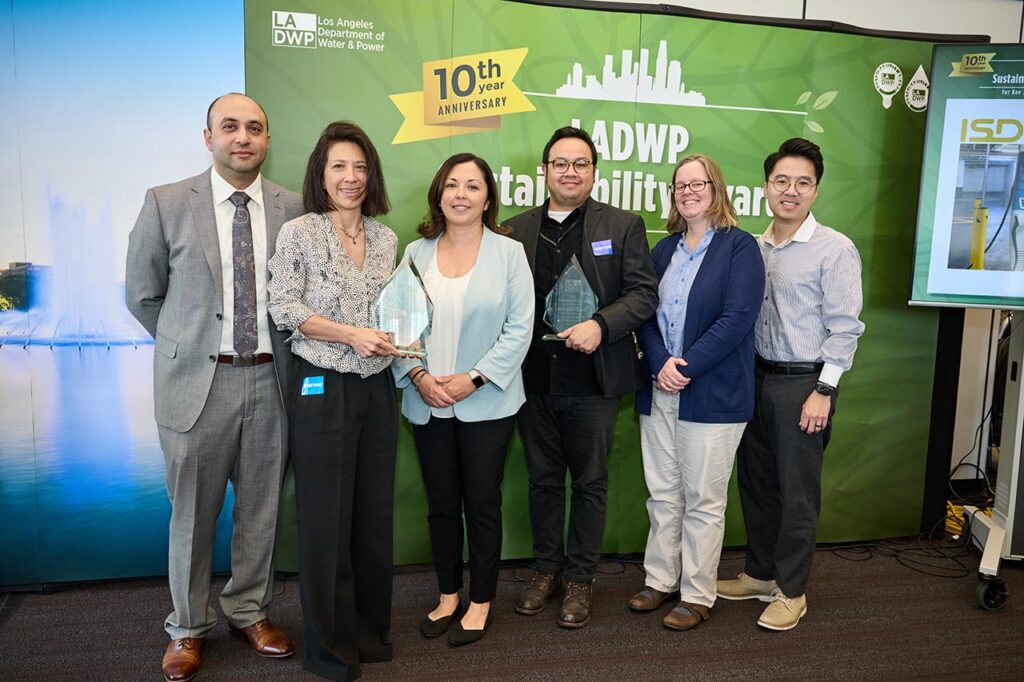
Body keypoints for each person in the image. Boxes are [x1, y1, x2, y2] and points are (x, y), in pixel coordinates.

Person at [125, 93, 303, 682]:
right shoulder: (167, 202)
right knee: (192, 517)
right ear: (209, 138)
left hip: (271, 383)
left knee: (261, 511)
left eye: (255, 127)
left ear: (268, 140)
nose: (243, 138)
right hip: (196, 386)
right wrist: (190, 346)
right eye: (230, 127)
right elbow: (143, 295)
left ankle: (248, 611)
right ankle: (187, 627)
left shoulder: (294, 209)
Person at [504, 127, 659, 628]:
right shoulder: (511, 231)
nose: (570, 171)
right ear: (544, 170)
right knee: (543, 481)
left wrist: (600, 325)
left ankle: (580, 579)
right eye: (560, 163)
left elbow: (642, 295)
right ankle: (546, 570)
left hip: (594, 380)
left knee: (590, 484)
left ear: (594, 171)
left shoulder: (624, 224)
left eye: (581, 164)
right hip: (529, 381)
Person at [267, 121, 399, 680]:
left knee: (372, 517)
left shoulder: (387, 238)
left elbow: (396, 310)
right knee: (326, 522)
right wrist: (350, 333)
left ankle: (369, 633)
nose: (350, 177)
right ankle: (329, 649)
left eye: (360, 167)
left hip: (379, 390)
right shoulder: (299, 232)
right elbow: (284, 309)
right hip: (322, 388)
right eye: (339, 166)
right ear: (321, 174)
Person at [716, 137, 865, 631]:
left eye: (803, 182)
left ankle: (792, 591)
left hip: (805, 384)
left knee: (797, 493)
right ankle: (761, 574)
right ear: (765, 188)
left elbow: (845, 327)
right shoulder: (753, 246)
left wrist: (824, 391)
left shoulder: (834, 249)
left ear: (815, 191)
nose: (791, 190)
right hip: (754, 377)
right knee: (757, 485)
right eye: (782, 180)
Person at [393, 153, 534, 646]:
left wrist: (472, 379)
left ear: (487, 198)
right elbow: (398, 327)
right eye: (451, 185)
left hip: (486, 403)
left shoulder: (509, 254)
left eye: (472, 186)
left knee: (481, 503)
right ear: (438, 194)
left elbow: (520, 331)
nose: (460, 194)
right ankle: (448, 594)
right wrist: (416, 374)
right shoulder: (415, 252)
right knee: (440, 504)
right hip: (426, 398)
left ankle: (480, 600)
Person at [628, 154, 765, 631]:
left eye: (697, 183)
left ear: (716, 188)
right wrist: (660, 362)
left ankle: (697, 593)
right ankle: (660, 580)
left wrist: (683, 367)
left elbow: (737, 318)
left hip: (713, 394)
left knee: (703, 499)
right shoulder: (663, 250)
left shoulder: (740, 247)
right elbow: (643, 312)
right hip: (658, 389)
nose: (687, 191)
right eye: (679, 185)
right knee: (663, 494)